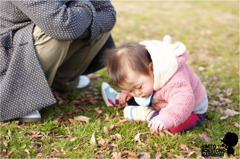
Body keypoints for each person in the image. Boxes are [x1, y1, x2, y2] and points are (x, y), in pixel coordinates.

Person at [0, 1, 116, 122]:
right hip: (8, 45)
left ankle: (61, 81)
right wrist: (86, 8)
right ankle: (23, 97)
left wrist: (75, 22)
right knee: (58, 31)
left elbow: (109, 14)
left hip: (51, 27)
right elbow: (62, 26)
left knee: (96, 28)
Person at [102, 35, 208, 133]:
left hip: (191, 109)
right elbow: (135, 86)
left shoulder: (175, 80)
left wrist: (166, 118)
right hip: (160, 100)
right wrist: (127, 92)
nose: (136, 92)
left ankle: (148, 114)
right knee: (141, 95)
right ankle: (119, 99)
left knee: (172, 125)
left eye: (138, 87)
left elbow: (183, 102)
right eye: (130, 89)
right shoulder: (144, 79)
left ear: (152, 68)